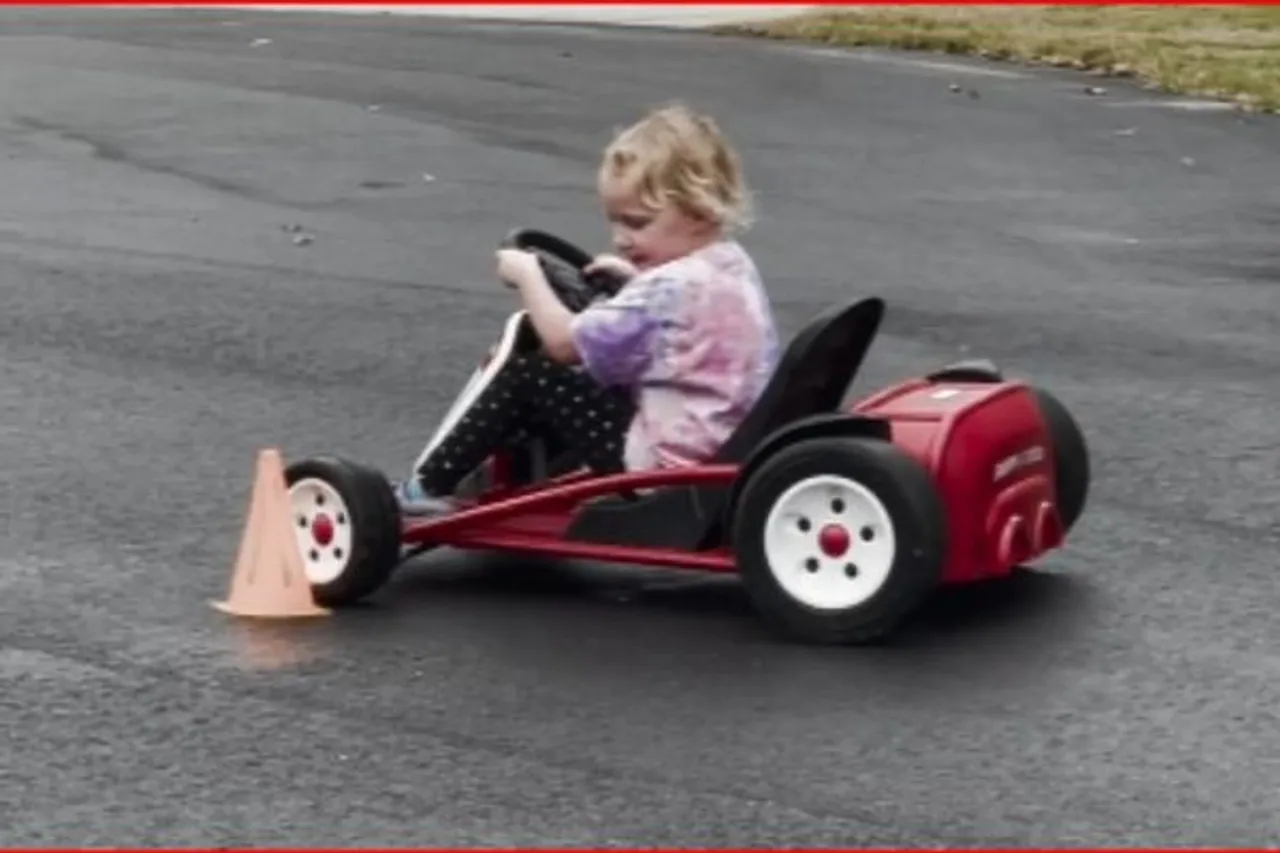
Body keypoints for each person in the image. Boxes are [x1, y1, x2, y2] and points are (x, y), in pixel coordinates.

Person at [394, 102, 780, 516]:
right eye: (615, 223)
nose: (620, 239)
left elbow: (563, 343)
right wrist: (631, 280)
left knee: (532, 375)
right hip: (722, 449)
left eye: (637, 224)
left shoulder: (667, 288)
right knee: (587, 381)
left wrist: (529, 276)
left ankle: (426, 486)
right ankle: (518, 478)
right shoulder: (728, 265)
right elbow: (675, 325)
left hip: (661, 471)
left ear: (700, 213)